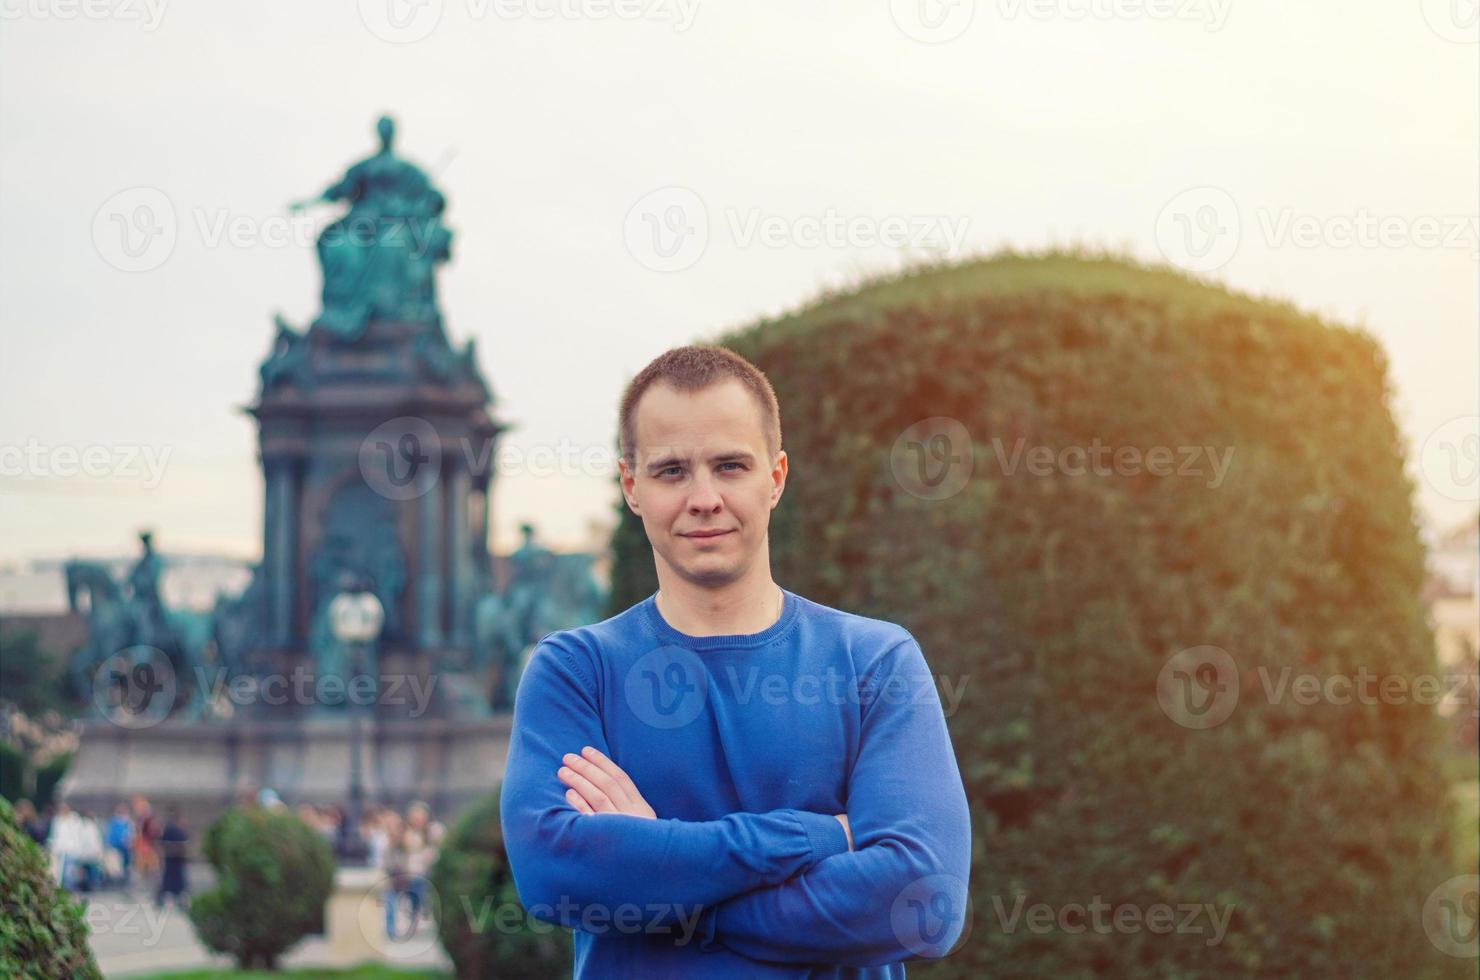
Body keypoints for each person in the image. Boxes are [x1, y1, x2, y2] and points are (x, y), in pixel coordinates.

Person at [499, 346, 972, 978]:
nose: (704, 498)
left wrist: (665, 877)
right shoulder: (575, 670)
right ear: (631, 487)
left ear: (775, 478)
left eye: (730, 466)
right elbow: (554, 872)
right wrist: (821, 838)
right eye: (671, 471)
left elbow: (923, 906)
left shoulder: (874, 662)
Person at [155, 806, 190, 910]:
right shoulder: (172, 828)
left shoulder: (174, 827)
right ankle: (172, 899)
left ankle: (176, 899)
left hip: (175, 858)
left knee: (175, 880)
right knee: (171, 880)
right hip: (172, 858)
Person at [106, 803, 136, 888]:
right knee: (115, 867)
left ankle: (124, 882)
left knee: (126, 866)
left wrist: (129, 842)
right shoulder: (114, 822)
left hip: (125, 848)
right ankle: (115, 883)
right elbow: (111, 836)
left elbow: (131, 835)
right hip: (115, 848)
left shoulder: (128, 823)